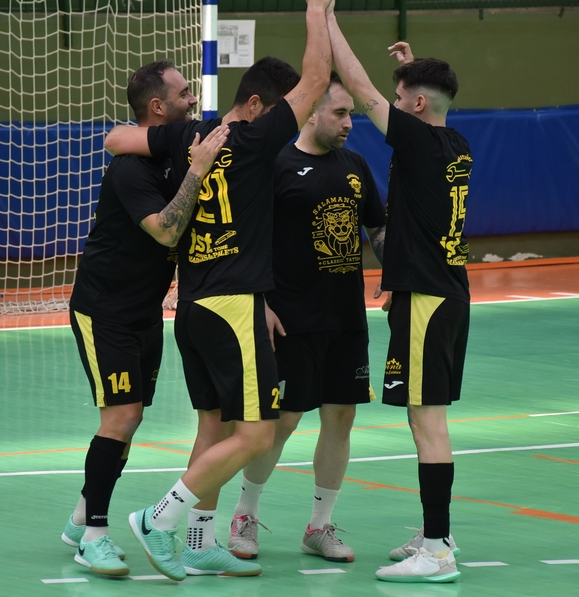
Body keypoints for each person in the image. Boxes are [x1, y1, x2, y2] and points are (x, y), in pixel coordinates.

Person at [102, 0, 333, 581]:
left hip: (194, 307)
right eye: (285, 113)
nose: (292, 123)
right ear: (257, 106)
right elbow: (316, 79)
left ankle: (201, 542)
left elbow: (116, 139)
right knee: (256, 434)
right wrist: (317, 13)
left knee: (215, 427)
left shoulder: (189, 135)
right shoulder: (256, 138)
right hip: (233, 305)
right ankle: (160, 518)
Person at [61, 60, 228, 577]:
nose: (191, 100)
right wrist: (199, 170)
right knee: (122, 417)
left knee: (129, 421)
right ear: (158, 106)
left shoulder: (168, 157)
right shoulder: (131, 170)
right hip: (104, 309)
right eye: (183, 93)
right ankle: (94, 537)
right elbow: (166, 231)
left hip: (143, 311)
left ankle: (80, 517)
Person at [327, 17, 469, 583]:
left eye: (400, 98)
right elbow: (421, 96)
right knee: (423, 416)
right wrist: (412, 70)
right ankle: (439, 533)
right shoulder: (454, 142)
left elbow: (360, 87)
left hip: (429, 300)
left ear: (415, 106)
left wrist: (326, 17)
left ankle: (437, 550)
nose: (390, 106)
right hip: (446, 292)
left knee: (427, 421)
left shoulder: (417, 139)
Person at [225, 72, 385, 564]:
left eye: (352, 114)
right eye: (340, 113)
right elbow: (247, 240)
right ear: (312, 112)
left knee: (342, 417)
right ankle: (244, 515)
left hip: (346, 318)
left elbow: (377, 228)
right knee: (284, 421)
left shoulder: (355, 166)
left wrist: (402, 273)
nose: (349, 123)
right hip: (290, 319)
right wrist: (261, 302)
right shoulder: (275, 165)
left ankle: (319, 525)